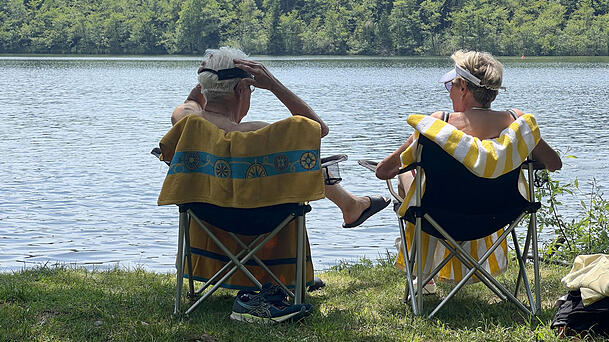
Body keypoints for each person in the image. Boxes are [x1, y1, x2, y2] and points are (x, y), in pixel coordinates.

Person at [375, 49, 561, 287]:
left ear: (463, 87)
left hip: (437, 216)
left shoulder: (438, 125)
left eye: (451, 85)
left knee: (410, 180)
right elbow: (553, 163)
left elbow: (384, 171)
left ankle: (424, 277)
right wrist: (511, 157)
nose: (449, 92)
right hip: (499, 215)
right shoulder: (518, 124)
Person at [172, 47, 390, 228]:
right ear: (242, 89)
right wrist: (274, 85)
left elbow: (192, 103)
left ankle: (350, 204)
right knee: (298, 160)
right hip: (262, 231)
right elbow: (319, 129)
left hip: (208, 228)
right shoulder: (259, 134)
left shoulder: (187, 123)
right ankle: (350, 205)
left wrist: (209, 79)